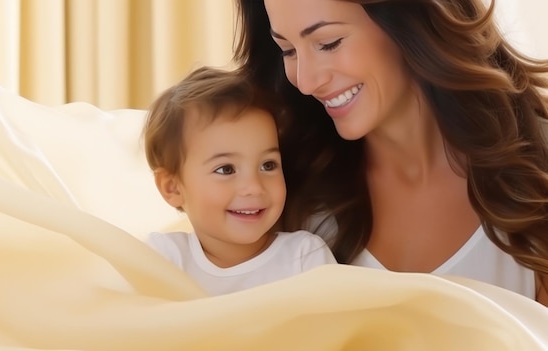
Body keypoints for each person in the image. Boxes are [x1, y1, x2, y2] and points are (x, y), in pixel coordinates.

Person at [232, 0, 548, 306]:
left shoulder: (537, 168)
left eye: (329, 43)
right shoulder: (281, 191)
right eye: (288, 51)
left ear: (407, 19)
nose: (306, 81)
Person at [141, 66, 337, 296]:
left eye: (268, 165)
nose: (254, 187)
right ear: (172, 187)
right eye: (226, 169)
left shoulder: (304, 257)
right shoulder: (164, 258)